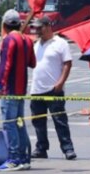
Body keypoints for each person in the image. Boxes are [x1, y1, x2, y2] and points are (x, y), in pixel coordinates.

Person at [28, 16, 77, 161]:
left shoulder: (60, 43)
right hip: (37, 89)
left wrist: (61, 83)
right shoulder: (36, 44)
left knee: (60, 120)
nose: (37, 31)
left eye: (40, 28)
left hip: (53, 89)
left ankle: (68, 148)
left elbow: (67, 64)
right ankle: (41, 148)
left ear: (48, 26)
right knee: (38, 122)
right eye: (35, 28)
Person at [0, 10, 36, 172]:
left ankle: (14, 158)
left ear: (4, 25)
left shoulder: (9, 40)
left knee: (9, 124)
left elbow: (5, 65)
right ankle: (24, 158)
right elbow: (33, 63)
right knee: (19, 123)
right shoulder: (27, 40)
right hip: (21, 89)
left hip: (9, 90)